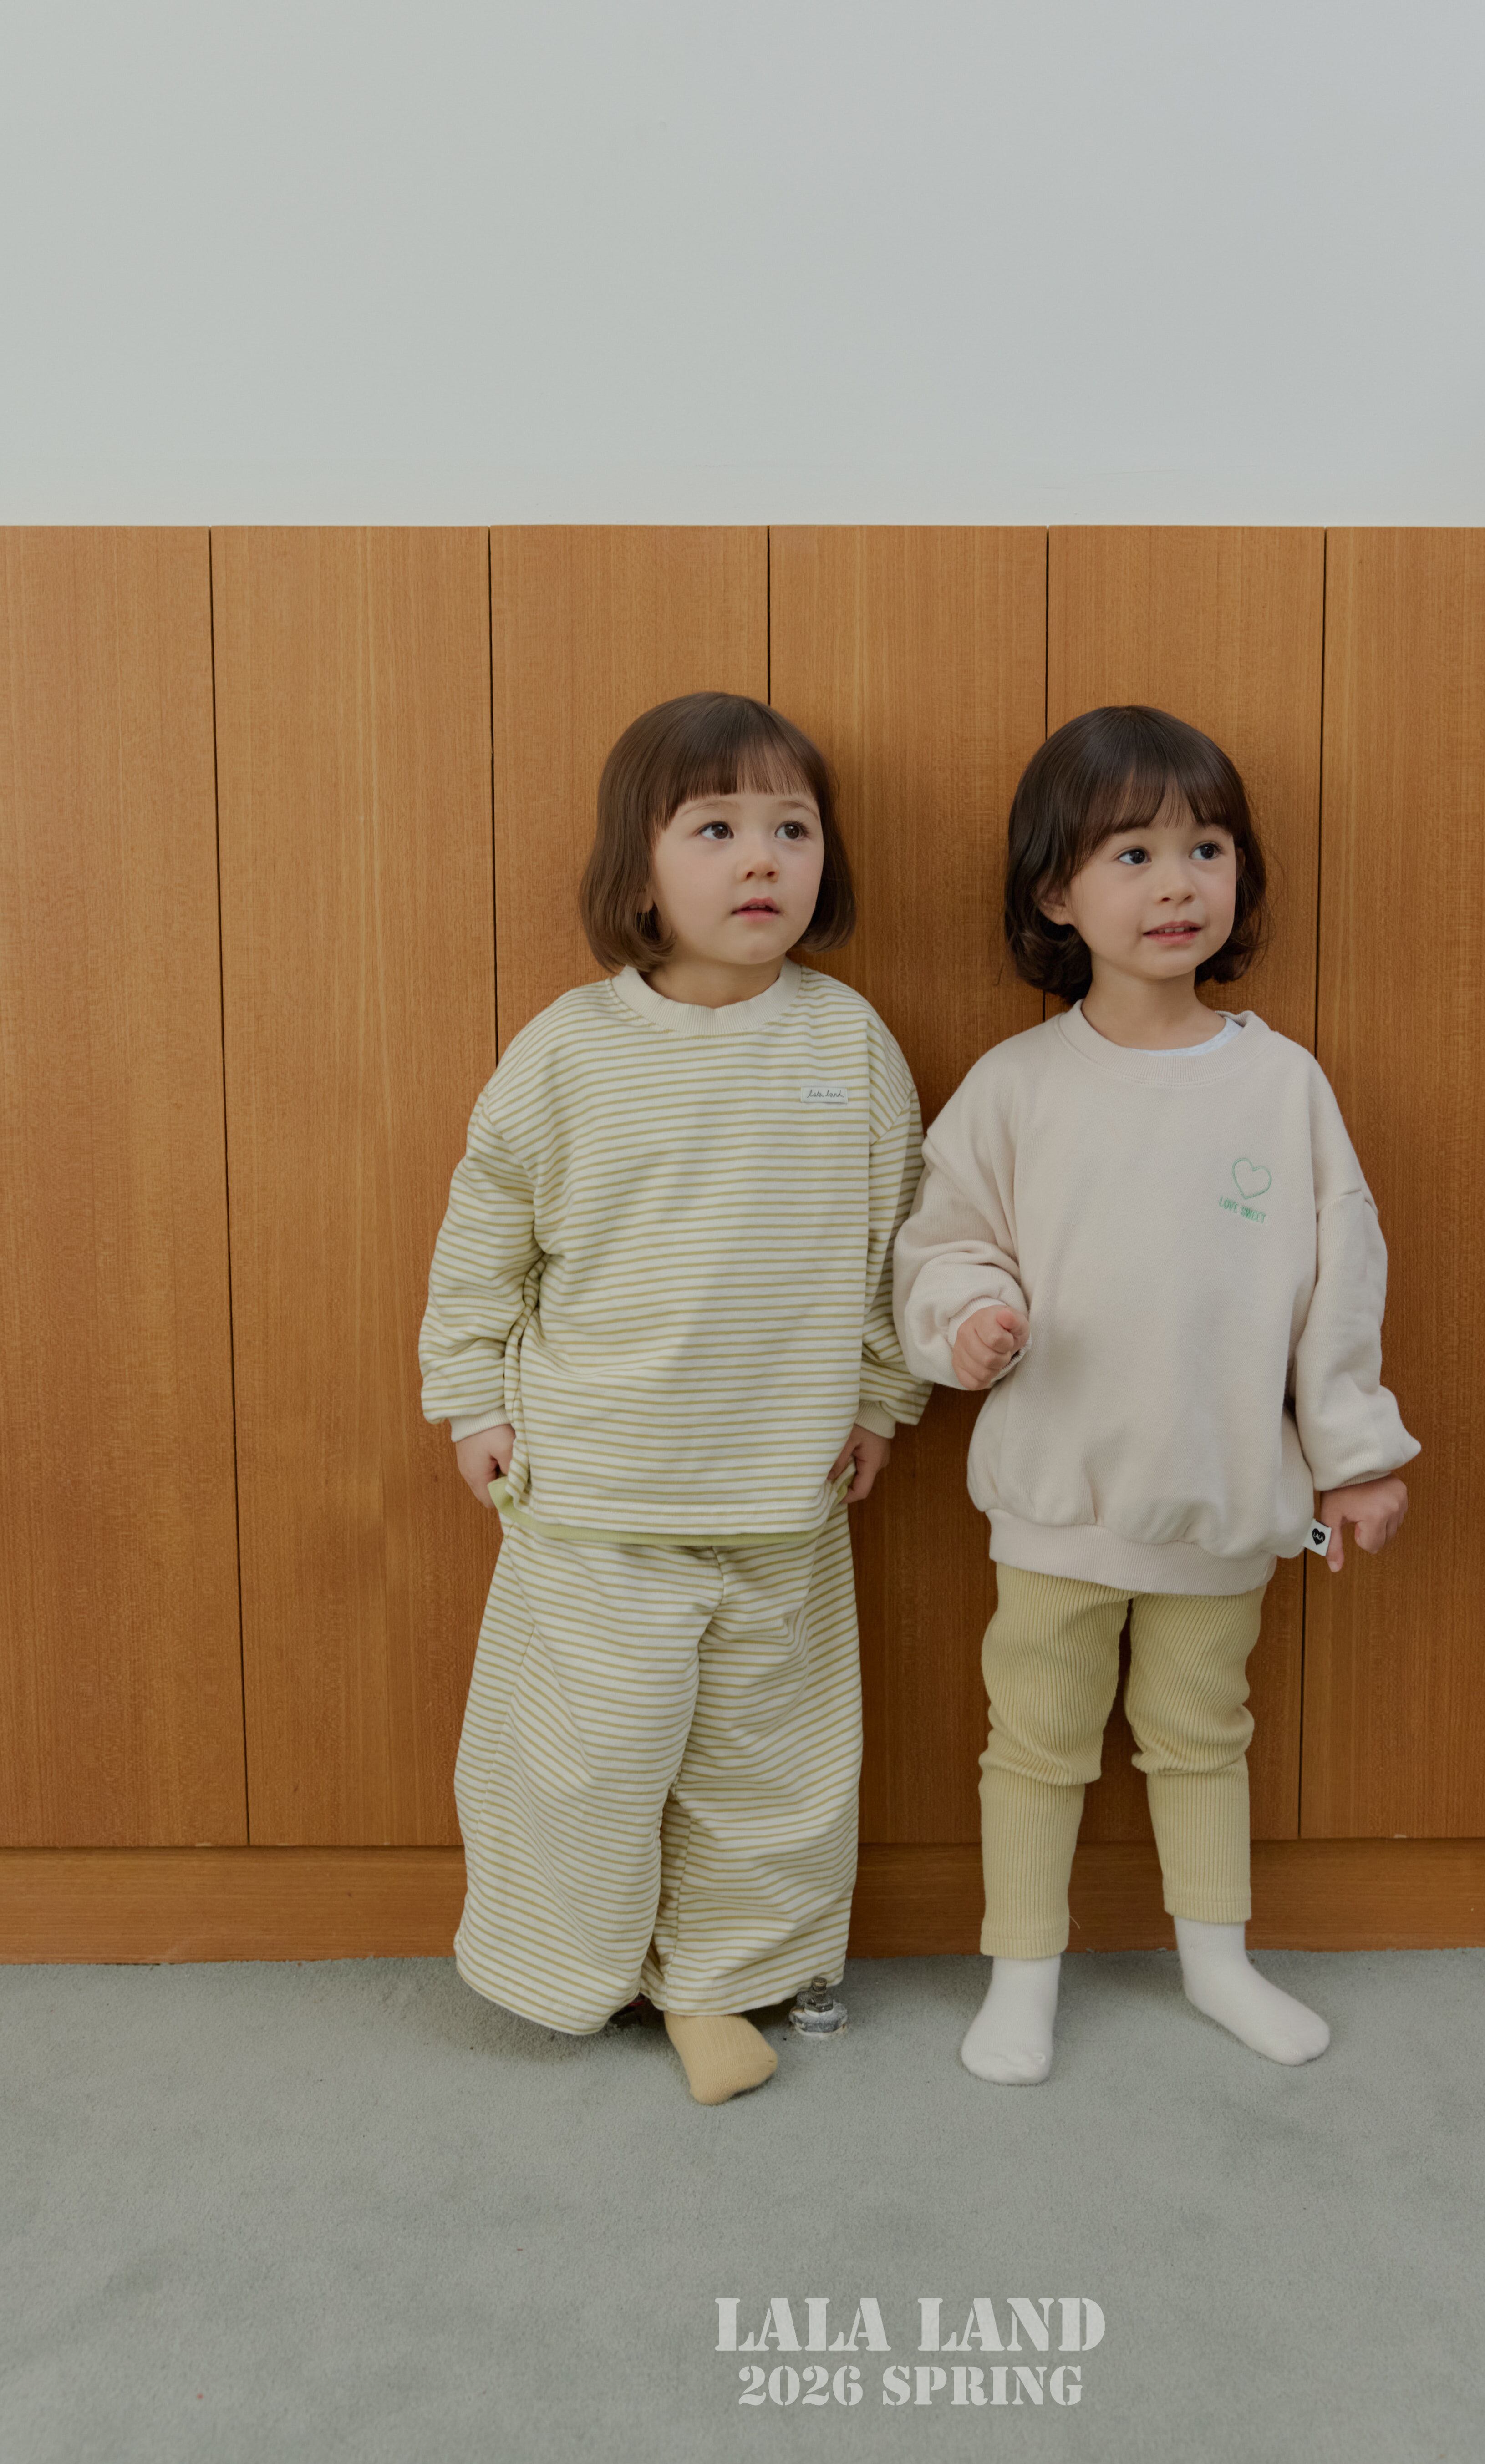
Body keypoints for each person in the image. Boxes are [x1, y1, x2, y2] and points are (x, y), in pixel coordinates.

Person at [893, 704, 1417, 2085]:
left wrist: (1355, 1456)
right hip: (1057, 1498)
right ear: (1055, 895)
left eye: (1206, 849)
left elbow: (1340, 1285)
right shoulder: (1015, 1086)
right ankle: (1023, 1973)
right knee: (1036, 1744)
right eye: (1131, 854)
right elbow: (943, 1243)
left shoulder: (1282, 1086)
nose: (1176, 884)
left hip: (1223, 1497)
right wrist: (968, 1324)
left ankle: (1216, 1962)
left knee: (1201, 1738)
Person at [420, 692, 927, 2104]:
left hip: (782, 1491)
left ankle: (721, 1982)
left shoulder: (849, 1044)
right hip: (596, 1491)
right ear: (639, 872)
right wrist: (470, 1401)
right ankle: (561, 1967)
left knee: (771, 1765)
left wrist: (882, 1403)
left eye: (792, 829)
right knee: (584, 1760)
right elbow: (485, 1241)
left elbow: (896, 1242)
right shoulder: (571, 1050)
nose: (762, 858)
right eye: (716, 830)